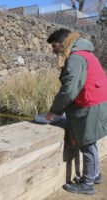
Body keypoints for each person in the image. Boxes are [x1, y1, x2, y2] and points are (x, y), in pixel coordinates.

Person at [46, 28, 107, 195]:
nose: (53, 49)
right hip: (96, 101)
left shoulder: (76, 58)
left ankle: (87, 184)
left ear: (63, 42)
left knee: (86, 143)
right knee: (90, 142)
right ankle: (95, 175)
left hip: (90, 104)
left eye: (54, 45)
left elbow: (69, 89)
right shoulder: (84, 53)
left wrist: (54, 111)